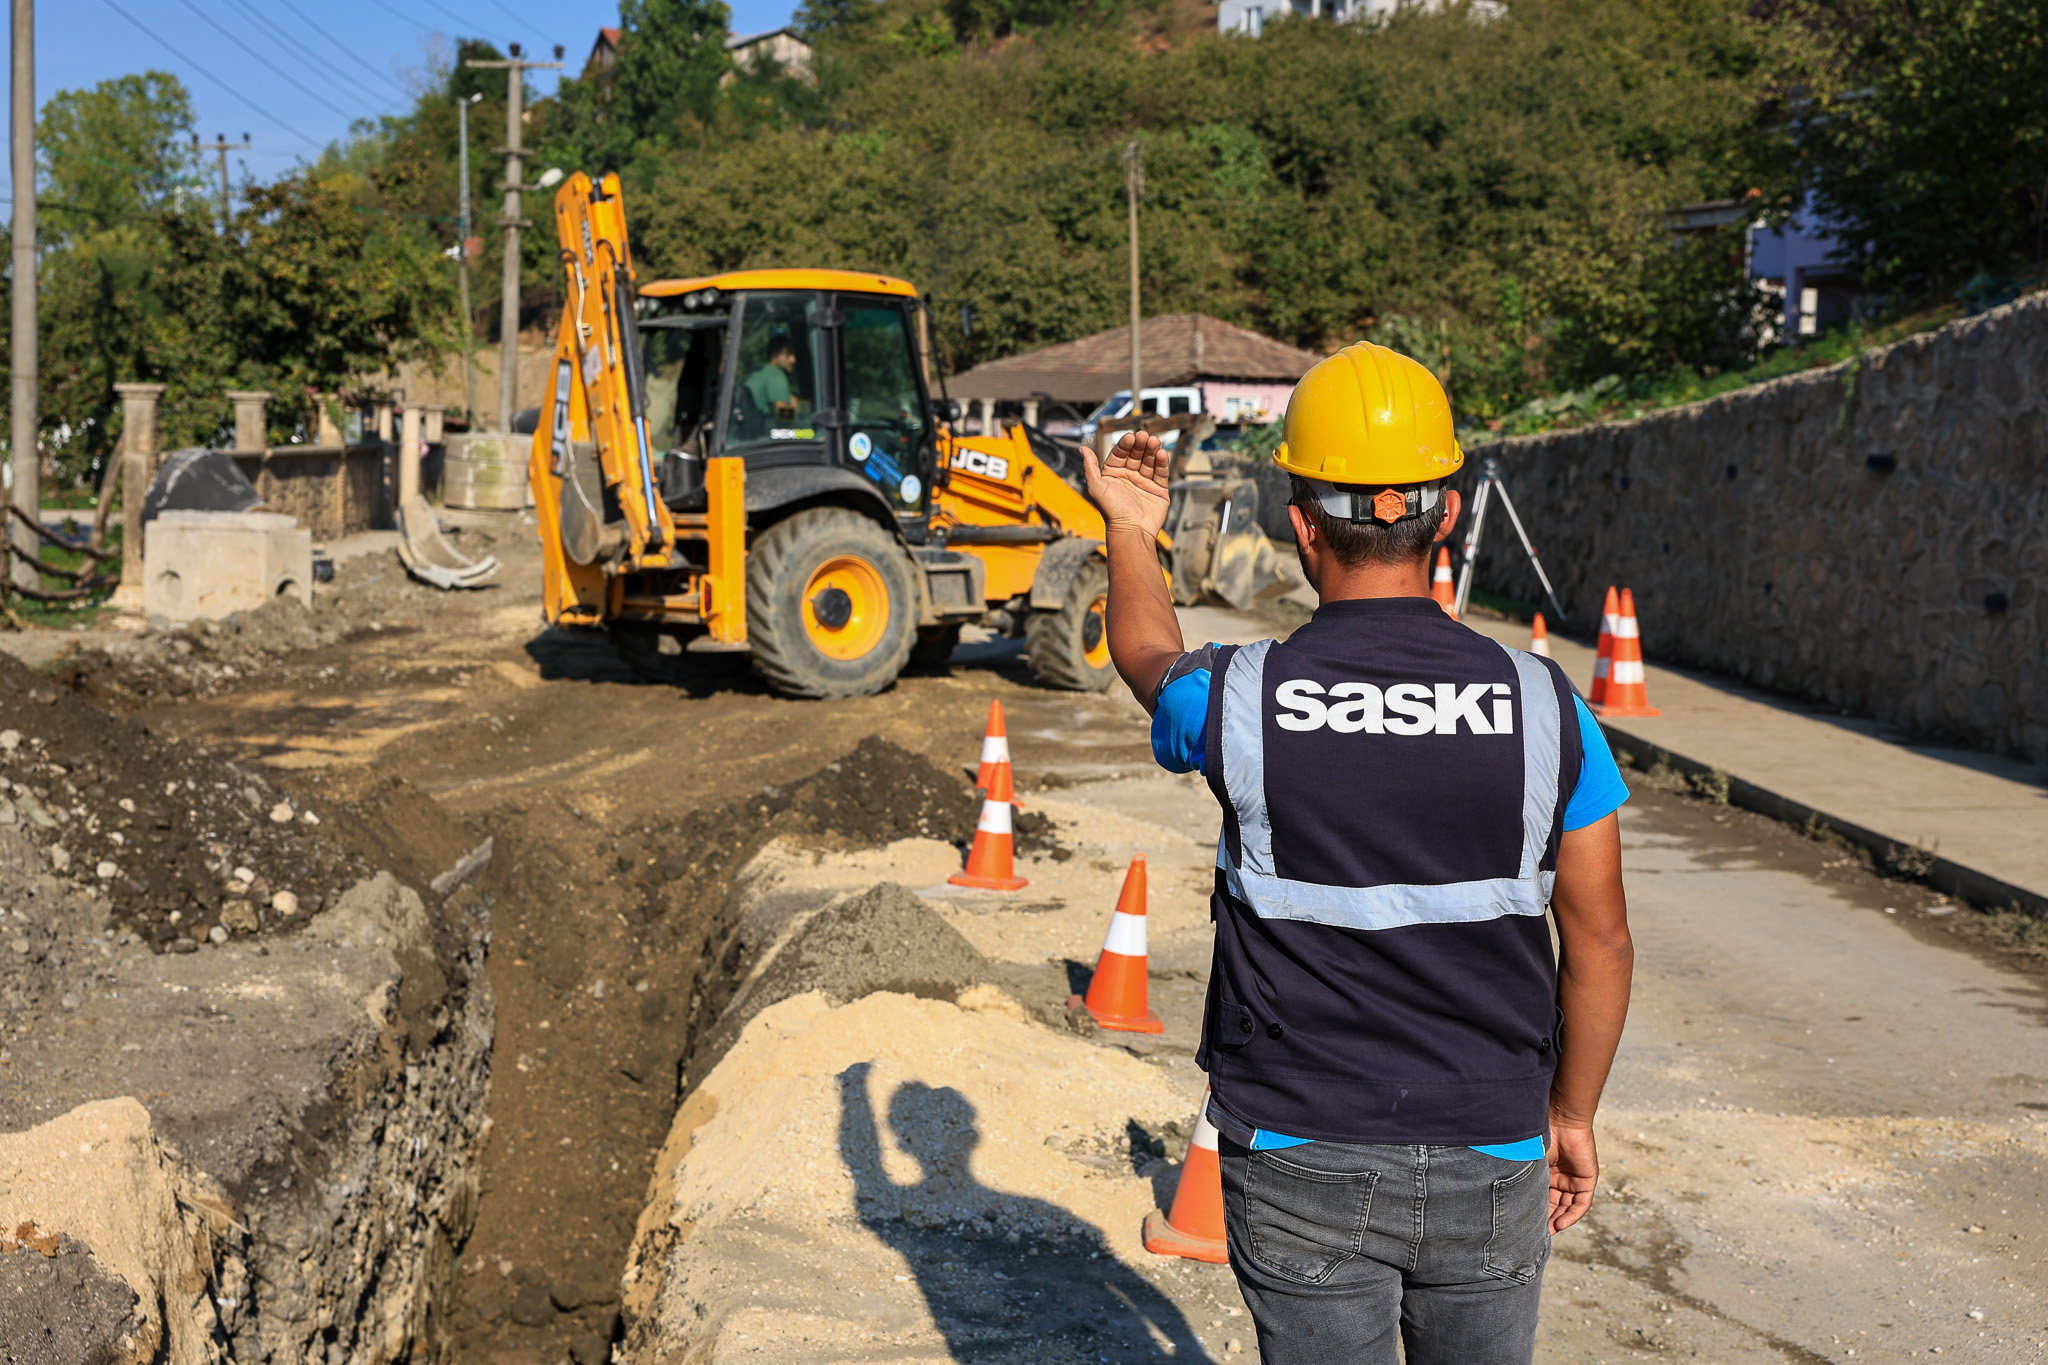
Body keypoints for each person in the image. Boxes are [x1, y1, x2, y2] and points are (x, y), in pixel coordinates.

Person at [1081, 341, 1635, 1365]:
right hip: (1493, 1145)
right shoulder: (1549, 707)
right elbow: (1597, 941)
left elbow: (1145, 654)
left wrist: (1127, 529)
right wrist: (1571, 1114)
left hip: (1295, 1152)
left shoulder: (1237, 698)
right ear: (1449, 514)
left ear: (1299, 526)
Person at [742, 335, 802, 423]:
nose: (793, 360)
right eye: (788, 354)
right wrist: (803, 419)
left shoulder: (760, 372)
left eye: (793, 354)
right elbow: (783, 414)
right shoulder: (776, 375)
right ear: (773, 355)